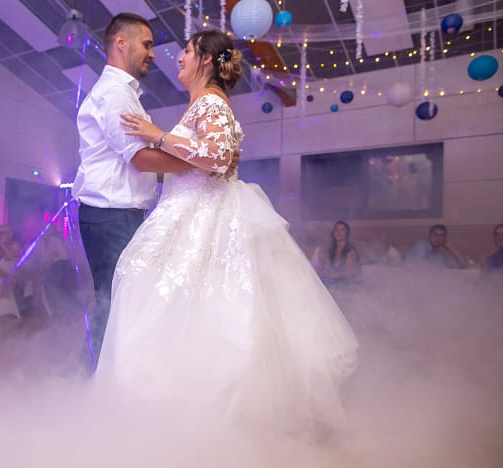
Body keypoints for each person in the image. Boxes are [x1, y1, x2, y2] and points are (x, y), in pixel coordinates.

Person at [98, 30, 358, 433]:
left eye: (185, 51)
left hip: (205, 217)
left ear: (204, 59)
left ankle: (204, 423)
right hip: (187, 211)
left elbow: (218, 157)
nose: (178, 58)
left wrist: (158, 137)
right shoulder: (201, 105)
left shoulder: (210, 103)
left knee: (201, 312)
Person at [73, 13, 202, 370]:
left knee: (125, 303)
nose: (153, 54)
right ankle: (102, 390)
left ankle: (117, 381)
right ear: (121, 43)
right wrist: (198, 164)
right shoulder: (115, 94)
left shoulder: (124, 93)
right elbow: (142, 160)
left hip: (120, 216)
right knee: (114, 304)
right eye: (147, 45)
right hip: (110, 217)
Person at [319, 220, 361, 285]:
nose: (339, 233)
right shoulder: (332, 249)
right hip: (336, 281)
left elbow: (348, 273)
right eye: (336, 230)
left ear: (347, 234)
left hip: (350, 283)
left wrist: (331, 275)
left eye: (342, 230)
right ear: (333, 233)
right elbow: (325, 267)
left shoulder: (350, 250)